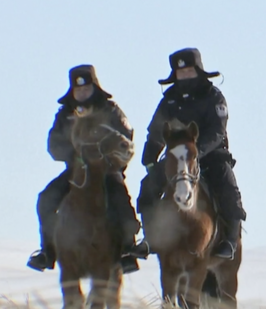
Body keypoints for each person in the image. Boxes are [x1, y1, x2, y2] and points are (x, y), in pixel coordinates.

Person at [26, 64, 149, 274]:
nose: (82, 92)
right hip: (77, 170)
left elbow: (126, 138)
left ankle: (127, 248)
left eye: (86, 87)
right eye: (77, 89)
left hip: (107, 170)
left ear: (94, 86)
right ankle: (48, 250)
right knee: (46, 198)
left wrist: (108, 158)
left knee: (120, 198)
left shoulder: (110, 110)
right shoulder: (65, 113)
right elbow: (53, 144)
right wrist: (75, 154)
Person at [137, 48, 246, 260]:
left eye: (189, 71)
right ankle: (149, 237)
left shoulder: (214, 96)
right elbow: (157, 130)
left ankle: (230, 240)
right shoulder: (169, 100)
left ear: (198, 71)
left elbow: (217, 131)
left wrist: (199, 152)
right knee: (148, 185)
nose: (185, 76)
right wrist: (150, 155)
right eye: (181, 73)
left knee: (228, 187)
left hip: (211, 155)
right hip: (176, 158)